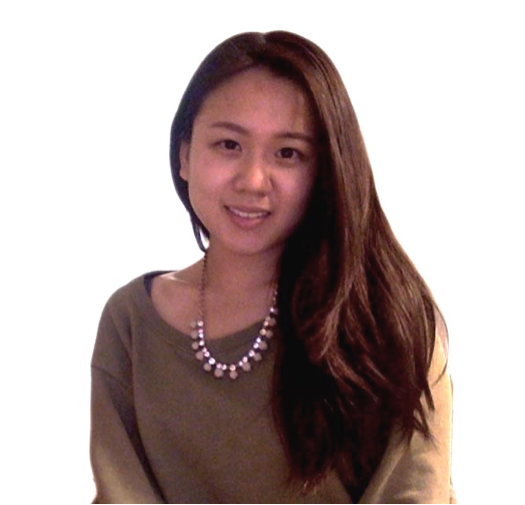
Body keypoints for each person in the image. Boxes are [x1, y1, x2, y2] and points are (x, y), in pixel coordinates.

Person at [90, 30, 455, 504]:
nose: (253, 180)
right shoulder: (132, 322)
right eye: (228, 144)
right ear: (184, 154)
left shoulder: (388, 320)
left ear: (325, 170)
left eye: (288, 154)